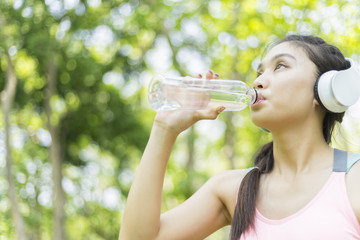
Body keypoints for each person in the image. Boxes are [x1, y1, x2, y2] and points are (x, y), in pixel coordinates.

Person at [119, 35, 360, 240]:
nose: (257, 81)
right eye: (259, 71)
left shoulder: (353, 179)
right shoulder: (233, 190)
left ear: (325, 90)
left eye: (281, 66)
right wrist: (164, 129)